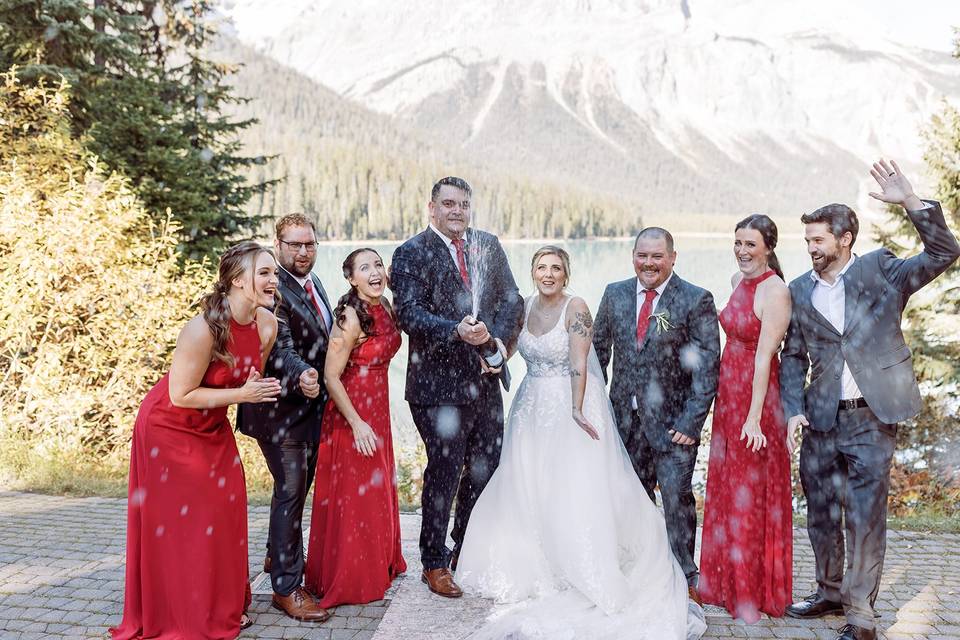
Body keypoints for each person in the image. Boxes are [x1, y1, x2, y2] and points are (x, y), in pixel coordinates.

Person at [457, 246, 706, 640]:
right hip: (530, 407)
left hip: (568, 404)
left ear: (566, 273)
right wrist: (493, 352)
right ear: (534, 272)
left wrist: (576, 408)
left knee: (571, 487)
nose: (549, 274)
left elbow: (580, 360)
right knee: (528, 484)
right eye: (542, 267)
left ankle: (583, 564)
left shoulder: (577, 308)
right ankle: (537, 561)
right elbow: (511, 349)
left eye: (556, 267)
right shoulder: (523, 306)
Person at [781, 159, 960, 640]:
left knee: (864, 515)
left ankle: (861, 617)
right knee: (820, 511)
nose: (811, 248)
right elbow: (792, 355)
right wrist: (792, 408)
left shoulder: (882, 270)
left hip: (872, 418)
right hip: (820, 420)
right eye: (808, 241)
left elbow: (944, 251)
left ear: (844, 239)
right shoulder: (799, 290)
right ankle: (829, 592)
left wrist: (911, 202)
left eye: (818, 240)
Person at [111, 242, 283, 639]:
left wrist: (250, 386)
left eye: (274, 273)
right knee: (183, 523)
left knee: (225, 512)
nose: (274, 280)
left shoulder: (267, 325)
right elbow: (180, 395)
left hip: (212, 426)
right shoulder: (202, 329)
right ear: (238, 281)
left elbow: (244, 376)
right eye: (264, 273)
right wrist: (242, 395)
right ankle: (181, 611)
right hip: (168, 428)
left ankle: (221, 604)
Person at [390, 176, 524, 598]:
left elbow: (512, 300)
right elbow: (408, 315)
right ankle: (433, 561)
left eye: (464, 204)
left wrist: (494, 341)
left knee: (485, 469)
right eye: (449, 204)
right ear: (432, 207)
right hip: (437, 388)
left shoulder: (487, 244)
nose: (457, 212)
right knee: (444, 472)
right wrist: (456, 331)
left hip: (485, 380)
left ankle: (464, 545)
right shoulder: (411, 253)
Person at [593, 227, 721, 602]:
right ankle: (637, 567)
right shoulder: (614, 294)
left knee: (677, 499)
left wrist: (691, 422)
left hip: (672, 425)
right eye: (642, 256)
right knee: (629, 497)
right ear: (633, 255)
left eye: (657, 256)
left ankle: (684, 573)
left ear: (672, 257)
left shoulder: (695, 299)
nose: (648, 264)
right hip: (622, 421)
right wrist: (592, 409)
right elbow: (599, 354)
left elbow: (707, 367)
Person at [237, 213, 334, 622]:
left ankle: (277, 556)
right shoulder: (274, 289)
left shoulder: (314, 283)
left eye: (309, 244)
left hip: (307, 410)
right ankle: (286, 588)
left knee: (293, 490)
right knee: (292, 491)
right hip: (278, 410)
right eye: (294, 245)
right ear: (278, 246)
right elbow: (281, 349)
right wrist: (304, 375)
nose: (303, 251)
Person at [698, 215, 793, 622]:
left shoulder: (776, 292)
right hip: (730, 396)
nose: (741, 250)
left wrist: (753, 419)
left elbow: (763, 360)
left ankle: (751, 590)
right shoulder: (737, 283)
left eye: (750, 244)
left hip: (756, 400)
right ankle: (723, 582)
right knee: (728, 486)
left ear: (768, 247)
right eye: (737, 242)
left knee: (751, 494)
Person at [304, 248, 407, 606]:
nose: (374, 272)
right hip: (351, 412)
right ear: (351, 278)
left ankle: (378, 561)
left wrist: (393, 282)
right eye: (365, 268)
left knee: (375, 488)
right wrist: (358, 423)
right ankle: (351, 575)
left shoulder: (386, 306)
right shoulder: (349, 316)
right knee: (356, 495)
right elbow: (331, 377)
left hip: (377, 406)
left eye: (378, 265)